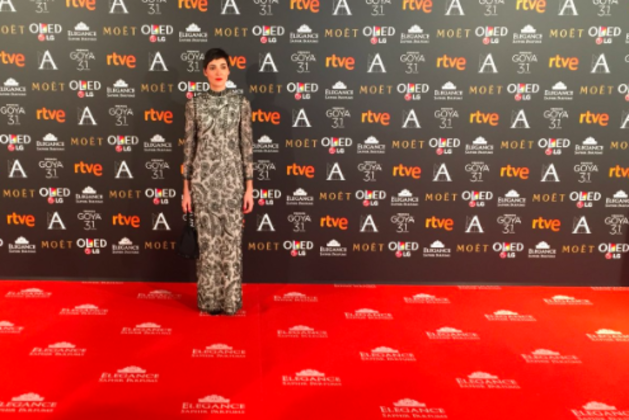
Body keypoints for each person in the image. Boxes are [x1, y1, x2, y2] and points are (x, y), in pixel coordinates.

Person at [181, 48, 254, 315]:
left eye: (223, 66)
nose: (218, 72)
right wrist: (186, 190)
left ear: (229, 70)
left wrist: (249, 188)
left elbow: (247, 147)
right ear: (204, 72)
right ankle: (209, 301)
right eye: (212, 67)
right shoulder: (194, 104)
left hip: (232, 183)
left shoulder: (240, 103)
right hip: (203, 185)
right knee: (208, 245)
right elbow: (189, 149)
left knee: (231, 244)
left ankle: (230, 301)